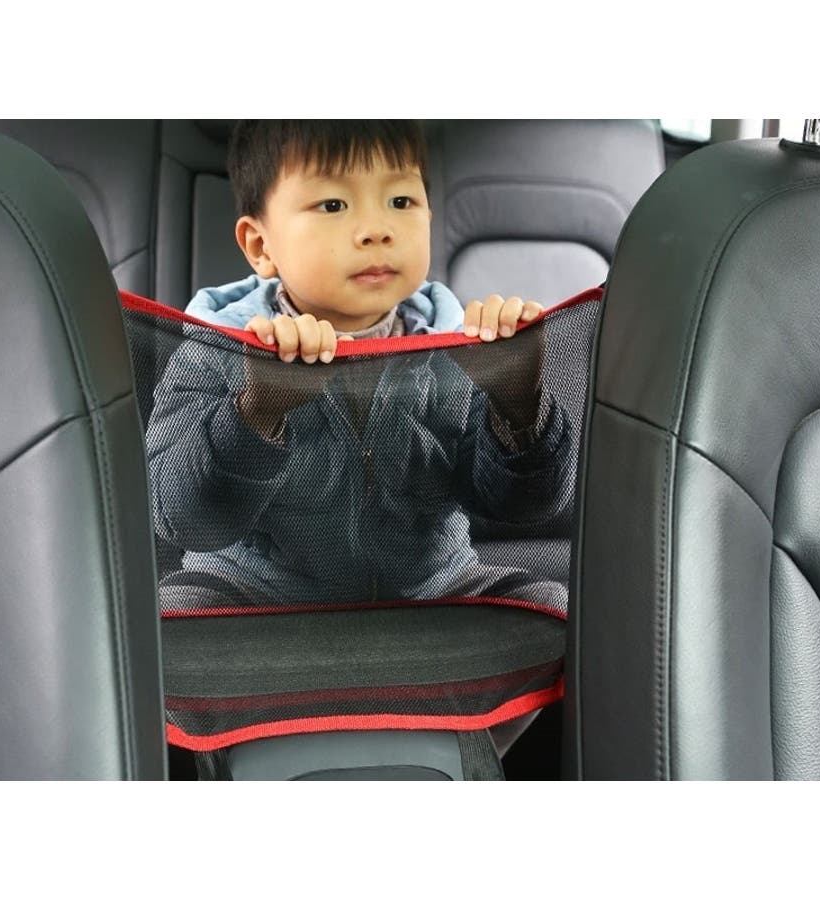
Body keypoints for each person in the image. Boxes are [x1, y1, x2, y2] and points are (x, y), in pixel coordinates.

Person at [146, 120, 573, 610]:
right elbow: (178, 516)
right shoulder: (219, 348)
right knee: (171, 617)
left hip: (430, 588)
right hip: (257, 593)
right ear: (261, 247)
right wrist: (255, 413)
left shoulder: (458, 345)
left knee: (547, 604)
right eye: (333, 205)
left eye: (400, 201)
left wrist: (517, 409)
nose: (377, 231)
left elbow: (524, 505)